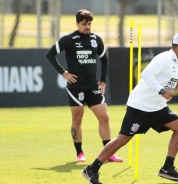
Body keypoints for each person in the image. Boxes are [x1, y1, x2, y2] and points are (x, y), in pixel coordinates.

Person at [81, 33, 178, 184]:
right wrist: (162, 91)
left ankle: (167, 167)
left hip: (158, 107)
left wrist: (164, 93)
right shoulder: (164, 59)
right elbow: (146, 73)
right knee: (122, 140)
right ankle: (92, 169)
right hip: (141, 106)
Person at [46, 9, 123, 163]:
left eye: (89, 24)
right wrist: (64, 73)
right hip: (76, 87)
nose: (87, 27)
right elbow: (50, 54)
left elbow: (104, 60)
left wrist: (103, 81)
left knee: (104, 117)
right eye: (84, 24)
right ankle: (79, 153)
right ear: (77, 23)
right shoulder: (70, 39)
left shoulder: (96, 39)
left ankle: (108, 153)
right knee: (77, 119)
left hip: (93, 85)